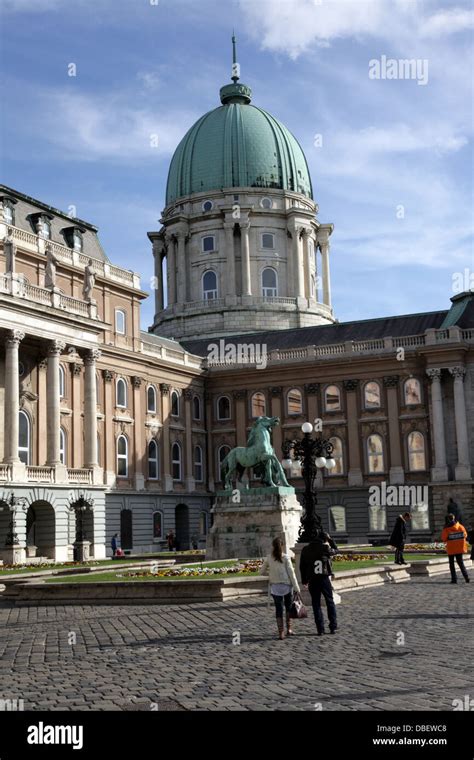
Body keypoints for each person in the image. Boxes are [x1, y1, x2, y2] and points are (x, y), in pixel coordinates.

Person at [260, 537, 300, 640]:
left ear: (273, 546)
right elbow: (291, 574)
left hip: (275, 587)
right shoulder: (286, 557)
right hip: (286, 586)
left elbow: (261, 572)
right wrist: (296, 587)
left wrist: (271, 575)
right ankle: (289, 629)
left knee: (278, 609)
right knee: (288, 608)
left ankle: (280, 632)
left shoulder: (269, 558)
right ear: (282, 546)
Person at [300, 531, 338, 636]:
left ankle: (320, 629)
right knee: (329, 601)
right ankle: (333, 626)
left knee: (316, 604)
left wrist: (304, 580)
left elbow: (302, 566)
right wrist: (330, 540)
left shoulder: (305, 549)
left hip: (312, 579)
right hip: (324, 578)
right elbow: (336, 550)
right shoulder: (325, 548)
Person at [441, 514, 470, 584]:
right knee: (461, 563)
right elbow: (465, 535)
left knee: (452, 565)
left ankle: (454, 579)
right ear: (454, 518)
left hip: (451, 549)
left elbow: (444, 539)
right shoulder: (460, 526)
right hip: (459, 548)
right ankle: (466, 577)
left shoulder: (446, 529)